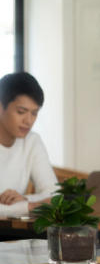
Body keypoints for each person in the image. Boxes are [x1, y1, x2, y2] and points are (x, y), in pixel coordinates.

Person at [0, 72, 57, 214]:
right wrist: (29, 206)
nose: (28, 121)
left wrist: (24, 199)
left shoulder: (32, 141)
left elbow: (54, 195)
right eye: (21, 112)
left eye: (34, 113)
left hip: (13, 230)